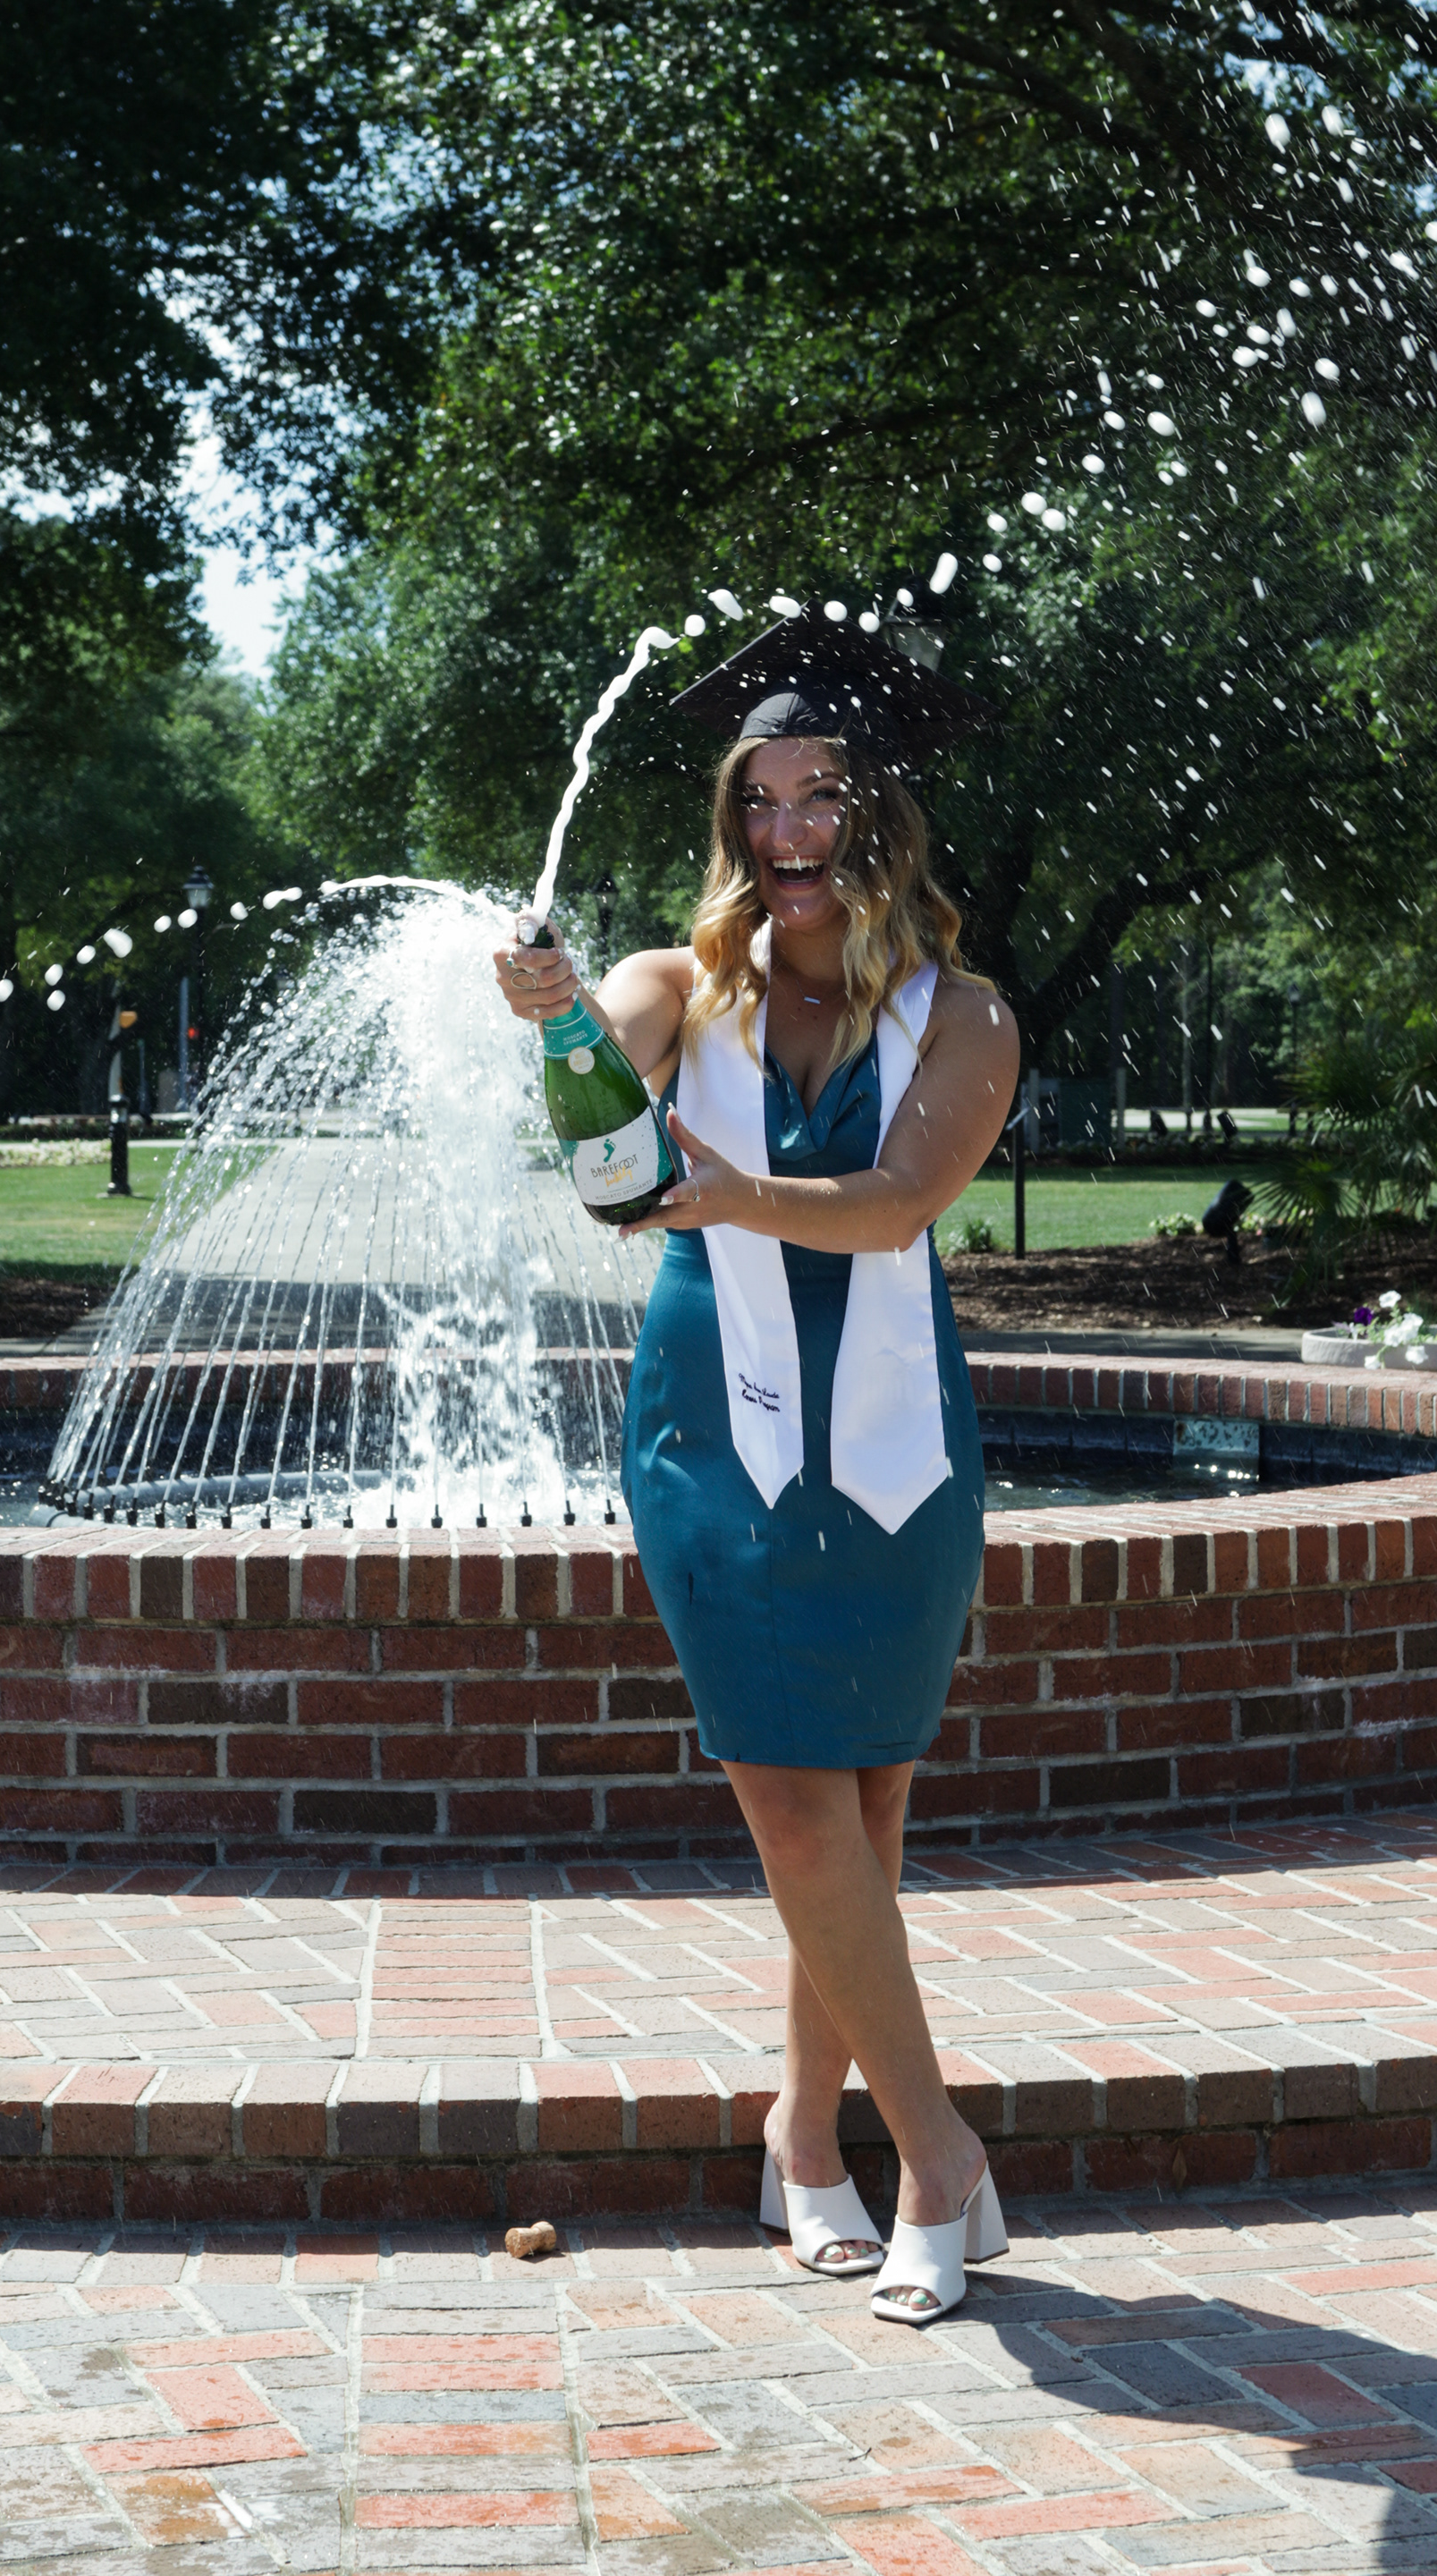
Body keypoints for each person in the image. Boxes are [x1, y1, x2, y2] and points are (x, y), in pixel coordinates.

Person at [494, 606, 1019, 2323]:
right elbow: (600, 1139)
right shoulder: (676, 988)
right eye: (759, 800)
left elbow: (899, 1206)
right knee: (790, 1794)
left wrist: (726, 1191)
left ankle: (802, 2136)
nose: (787, 830)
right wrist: (559, 1018)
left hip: (895, 1443)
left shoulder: (964, 1019)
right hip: (712, 1431)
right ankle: (938, 2154)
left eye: (821, 797)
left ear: (880, 819)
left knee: (860, 1806)